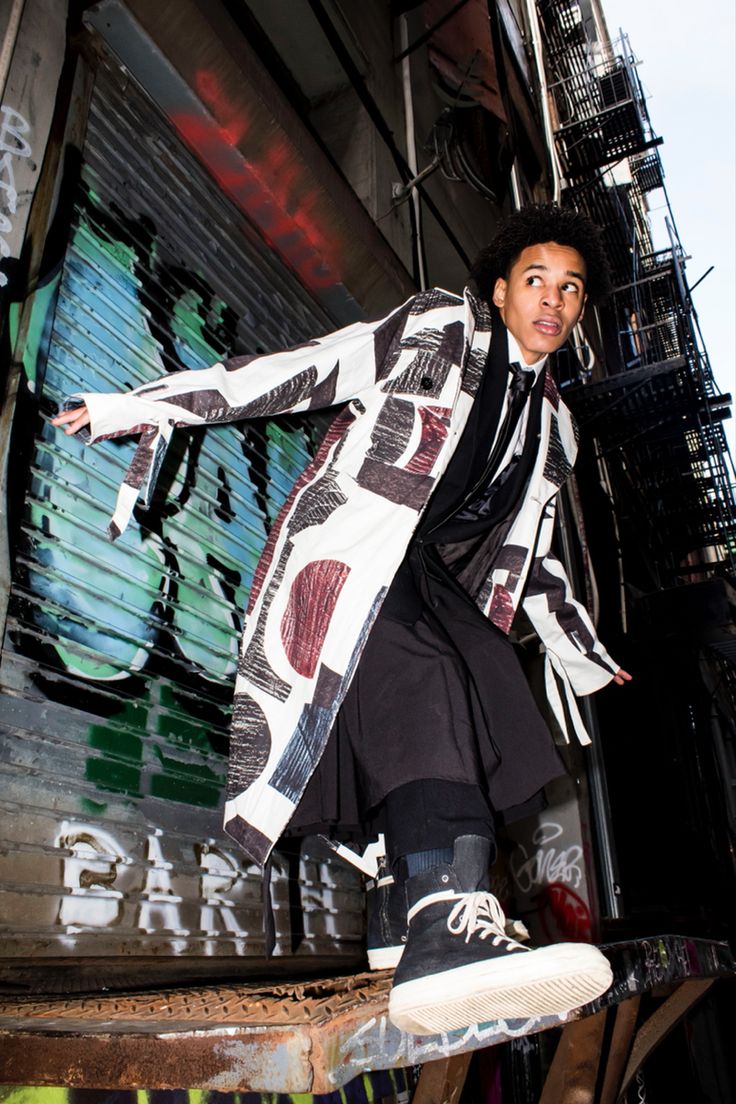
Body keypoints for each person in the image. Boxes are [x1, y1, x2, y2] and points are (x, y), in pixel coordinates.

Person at [53, 203, 631, 1035]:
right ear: (500, 290)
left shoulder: (552, 426)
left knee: (488, 682)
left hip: (437, 579)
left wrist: (582, 650)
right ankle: (444, 910)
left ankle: (403, 918)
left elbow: (531, 553)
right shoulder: (436, 330)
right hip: (359, 551)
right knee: (427, 679)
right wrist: (148, 404)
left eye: (570, 289)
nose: (552, 300)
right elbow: (307, 369)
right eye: (535, 280)